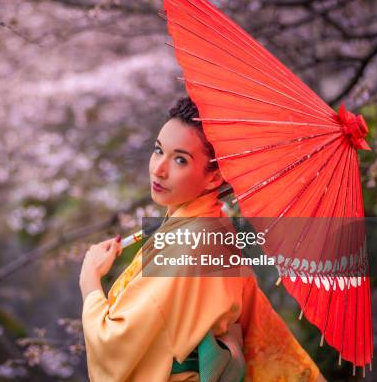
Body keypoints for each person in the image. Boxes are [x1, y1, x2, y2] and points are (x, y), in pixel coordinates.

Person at [79, 97, 326, 381]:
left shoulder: (193, 243)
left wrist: (90, 280)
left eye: (180, 159)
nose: (159, 168)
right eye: (158, 150)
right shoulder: (213, 227)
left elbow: (114, 344)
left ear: (213, 178)